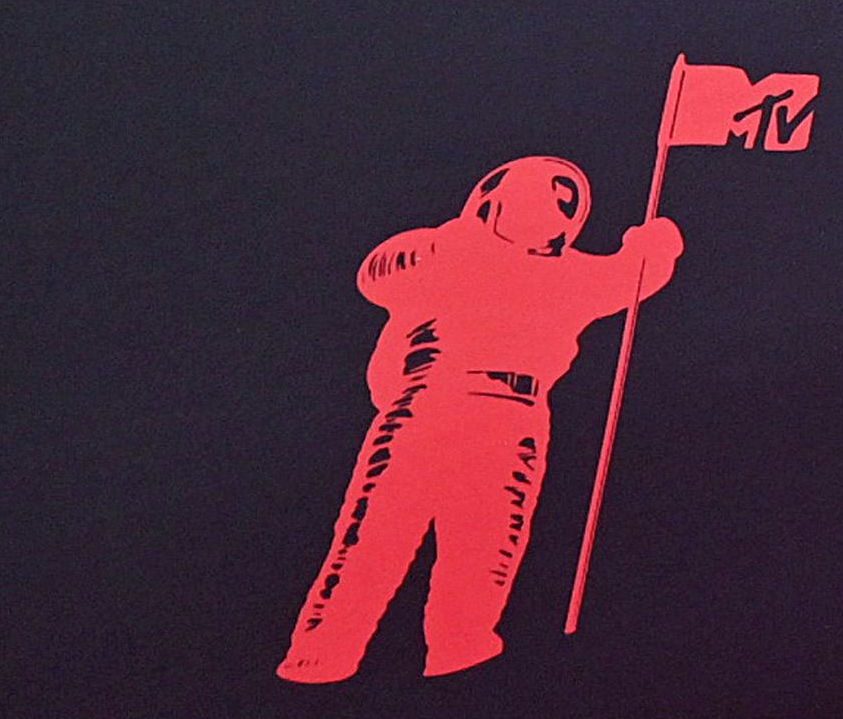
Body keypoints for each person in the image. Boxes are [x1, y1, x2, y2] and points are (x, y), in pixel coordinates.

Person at [280, 158, 676, 681]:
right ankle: (320, 654)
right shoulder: (446, 251)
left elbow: (627, 280)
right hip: (429, 403)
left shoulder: (569, 273)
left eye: (569, 201)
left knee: (488, 547)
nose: (559, 207)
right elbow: (376, 273)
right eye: (548, 192)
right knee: (377, 534)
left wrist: (655, 249)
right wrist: (456, 244)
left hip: (516, 418)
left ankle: (461, 655)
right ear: (498, 194)